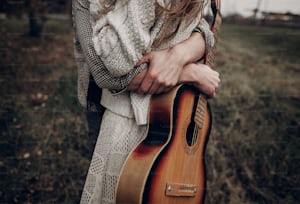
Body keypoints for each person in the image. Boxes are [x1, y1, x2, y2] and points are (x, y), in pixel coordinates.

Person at [72, 0, 220, 203]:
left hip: (171, 110)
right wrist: (188, 72)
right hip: (115, 107)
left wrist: (178, 55)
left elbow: (207, 25)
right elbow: (106, 74)